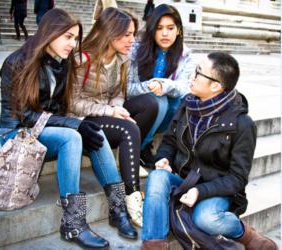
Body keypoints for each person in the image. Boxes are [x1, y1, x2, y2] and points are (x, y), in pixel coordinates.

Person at [0, 8, 137, 249]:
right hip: (17, 134)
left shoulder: (63, 63)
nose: (73, 44)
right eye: (68, 37)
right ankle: (72, 224)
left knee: (93, 131)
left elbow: (63, 108)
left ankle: (117, 209)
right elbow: (24, 116)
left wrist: (83, 124)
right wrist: (76, 125)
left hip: (48, 131)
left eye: (75, 37)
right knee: (72, 137)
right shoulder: (17, 62)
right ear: (49, 34)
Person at [141, 52, 278, 250]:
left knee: (206, 219)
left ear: (215, 85)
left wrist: (201, 190)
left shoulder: (242, 124)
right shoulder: (187, 104)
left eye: (198, 73)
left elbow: (238, 178)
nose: (192, 76)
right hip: (184, 180)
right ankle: (154, 245)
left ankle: (246, 235)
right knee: (157, 177)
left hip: (218, 189)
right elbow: (169, 142)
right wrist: (164, 159)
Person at [69, 7, 158, 228]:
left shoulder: (122, 59)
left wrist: (119, 109)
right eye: (127, 34)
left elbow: (119, 94)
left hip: (105, 110)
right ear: (109, 32)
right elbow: (71, 104)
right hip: (82, 118)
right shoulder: (82, 59)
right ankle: (132, 196)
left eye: (133, 34)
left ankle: (129, 157)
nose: (132, 40)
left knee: (149, 104)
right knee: (129, 129)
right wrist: (110, 112)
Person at [128, 4, 195, 168]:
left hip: (165, 114)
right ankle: (142, 147)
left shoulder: (185, 56)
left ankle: (175, 150)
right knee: (159, 101)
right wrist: (151, 86)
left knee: (182, 101)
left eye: (170, 28)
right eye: (159, 28)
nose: (165, 33)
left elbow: (184, 88)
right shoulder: (136, 50)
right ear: (152, 30)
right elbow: (126, 89)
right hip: (136, 107)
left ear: (178, 30)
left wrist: (164, 85)